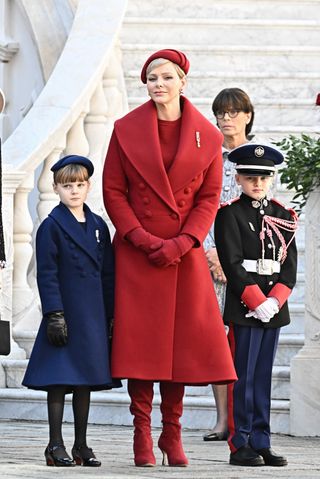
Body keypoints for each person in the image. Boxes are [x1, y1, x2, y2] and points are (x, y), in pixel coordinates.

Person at [102, 49, 237, 467]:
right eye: (151, 78)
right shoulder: (125, 129)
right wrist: (139, 237)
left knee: (177, 349)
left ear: (183, 82)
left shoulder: (208, 136)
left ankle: (171, 432)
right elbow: (113, 190)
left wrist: (185, 241)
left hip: (183, 254)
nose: (158, 84)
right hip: (137, 254)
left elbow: (209, 196)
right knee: (141, 346)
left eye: (166, 77)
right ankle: (142, 431)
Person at [23, 155, 119, 467]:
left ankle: (81, 445)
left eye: (79, 185)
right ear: (55, 188)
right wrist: (54, 314)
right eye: (67, 186)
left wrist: (111, 315)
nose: (74, 191)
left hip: (92, 315)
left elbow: (108, 273)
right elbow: (46, 273)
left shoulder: (97, 225)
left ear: (89, 186)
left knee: (84, 381)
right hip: (64, 314)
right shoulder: (51, 226)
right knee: (59, 379)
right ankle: (54, 444)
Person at [214, 144, 298, 467]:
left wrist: (274, 301)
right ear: (238, 178)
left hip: (272, 310)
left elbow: (288, 267)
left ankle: (261, 440)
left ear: (271, 179)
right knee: (243, 377)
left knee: (262, 376)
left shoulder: (283, 215)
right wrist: (256, 300)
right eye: (250, 177)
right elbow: (232, 263)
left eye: (263, 178)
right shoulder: (229, 214)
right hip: (246, 308)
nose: (257, 184)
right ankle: (241, 441)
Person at [203, 88, 255, 441]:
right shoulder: (207, 155)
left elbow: (264, 212)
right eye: (221, 113)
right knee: (216, 340)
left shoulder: (259, 158)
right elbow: (201, 206)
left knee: (246, 340)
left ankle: (246, 418)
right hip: (210, 261)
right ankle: (223, 419)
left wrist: (237, 261)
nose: (226, 119)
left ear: (248, 116)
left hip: (249, 262)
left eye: (234, 112)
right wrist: (211, 254)